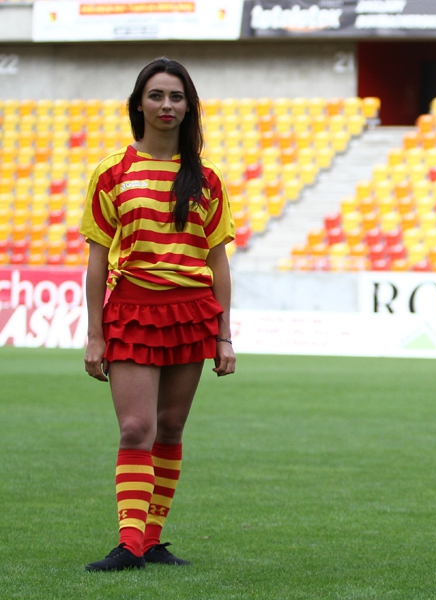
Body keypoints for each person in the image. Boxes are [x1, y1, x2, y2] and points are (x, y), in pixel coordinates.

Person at [81, 57, 236, 571]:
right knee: (135, 428)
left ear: (188, 106)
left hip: (191, 313)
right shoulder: (112, 171)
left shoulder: (207, 179)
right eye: (156, 95)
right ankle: (129, 544)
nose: (166, 105)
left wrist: (225, 335)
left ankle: (151, 539)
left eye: (176, 96)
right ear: (138, 105)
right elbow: (98, 259)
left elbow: (218, 261)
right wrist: (95, 334)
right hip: (132, 311)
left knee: (169, 427)